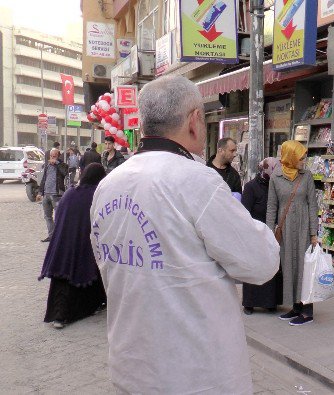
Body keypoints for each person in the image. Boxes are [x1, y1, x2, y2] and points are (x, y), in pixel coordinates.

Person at [90, 75, 280, 394]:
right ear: (194, 121)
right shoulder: (196, 181)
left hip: (131, 368)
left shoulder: (109, 185)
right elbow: (262, 263)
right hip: (194, 374)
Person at [38, 163, 107, 329]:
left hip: (62, 244)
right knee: (85, 276)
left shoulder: (70, 192)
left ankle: (59, 316)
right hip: (83, 245)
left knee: (62, 282)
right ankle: (68, 314)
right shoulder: (96, 195)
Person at [266, 140, 319, 326]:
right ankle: (295, 308)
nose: (304, 161)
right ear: (291, 157)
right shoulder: (276, 177)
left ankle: (307, 312)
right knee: (288, 267)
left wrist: (314, 233)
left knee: (304, 269)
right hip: (285, 229)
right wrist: (268, 233)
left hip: (304, 227)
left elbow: (313, 204)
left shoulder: (307, 176)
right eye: (301, 157)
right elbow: (272, 206)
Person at [242, 157, 282, 315]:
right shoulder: (251, 187)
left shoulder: (275, 186)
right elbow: (245, 212)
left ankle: (269, 301)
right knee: (253, 267)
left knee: (270, 266)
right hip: (255, 233)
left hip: (270, 233)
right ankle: (249, 303)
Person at [38, 148, 68, 242]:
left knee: (58, 215)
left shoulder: (62, 165)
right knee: (47, 216)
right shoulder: (47, 166)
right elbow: (44, 179)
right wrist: (40, 192)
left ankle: (59, 236)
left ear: (58, 156)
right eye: (51, 156)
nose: (52, 158)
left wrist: (57, 163)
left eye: (54, 156)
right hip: (46, 194)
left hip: (56, 194)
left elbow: (65, 172)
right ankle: (51, 235)